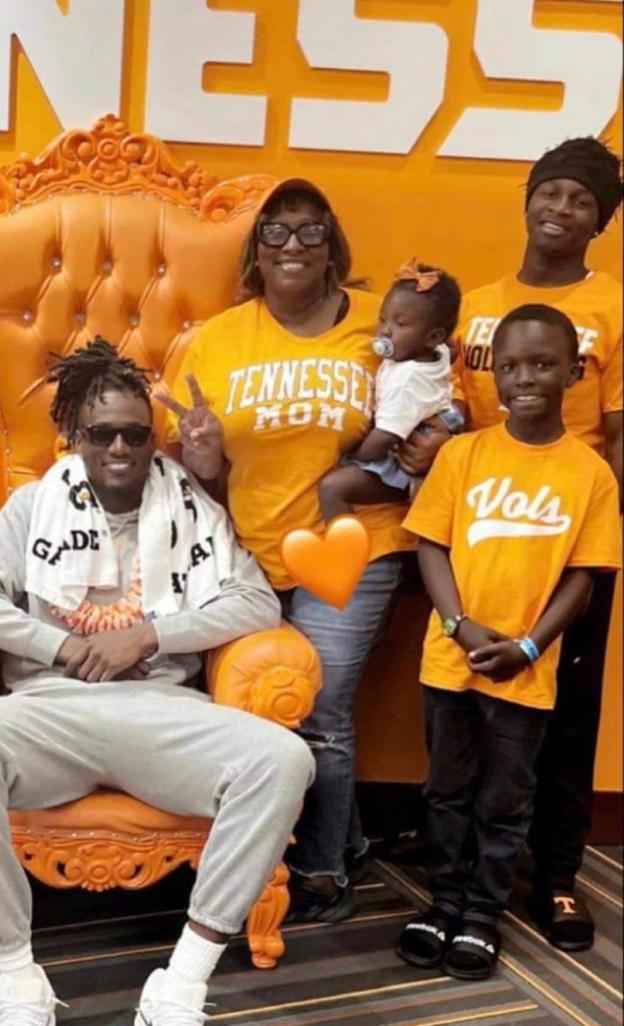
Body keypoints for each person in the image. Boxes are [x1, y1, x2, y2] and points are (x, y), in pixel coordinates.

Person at [0, 338, 315, 1026]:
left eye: (136, 433)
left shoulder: (192, 505)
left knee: (285, 761)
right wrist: (62, 646)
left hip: (162, 710)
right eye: (101, 434)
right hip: (50, 708)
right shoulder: (34, 504)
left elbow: (256, 603)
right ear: (74, 435)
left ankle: (180, 991)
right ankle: (21, 987)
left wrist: (150, 635)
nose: (120, 449)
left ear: (153, 436)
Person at [158, 178, 449, 923]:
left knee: (321, 710)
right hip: (249, 551)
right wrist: (200, 455)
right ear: (256, 252)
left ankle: (318, 868)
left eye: (310, 232)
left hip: (356, 544)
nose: (293, 246)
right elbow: (204, 475)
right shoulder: (220, 338)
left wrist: (435, 439)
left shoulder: (377, 332)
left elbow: (438, 402)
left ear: (333, 248)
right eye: (276, 233)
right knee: (256, 708)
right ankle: (338, 839)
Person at [397, 305, 620, 980]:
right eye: (512, 365)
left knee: (505, 798)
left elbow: (584, 578)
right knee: (446, 790)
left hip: (525, 669)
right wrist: (460, 626)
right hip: (452, 659)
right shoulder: (463, 456)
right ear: (493, 372)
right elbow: (431, 547)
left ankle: (482, 915)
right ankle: (443, 902)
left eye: (544, 364)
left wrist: (527, 647)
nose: (525, 379)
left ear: (574, 372)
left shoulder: (589, 473)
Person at [453, 137, 623, 951]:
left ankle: (555, 873)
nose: (560, 209)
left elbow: (618, 434)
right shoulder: (478, 302)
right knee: (466, 694)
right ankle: (465, 859)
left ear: (600, 223)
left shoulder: (613, 304)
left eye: (580, 201)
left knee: (565, 706)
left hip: (570, 527)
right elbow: (451, 412)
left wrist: (601, 538)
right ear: (526, 199)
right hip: (478, 518)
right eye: (550, 192)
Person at [319, 260, 462, 522]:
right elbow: (449, 350)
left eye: (400, 324)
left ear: (432, 336)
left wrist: (350, 455)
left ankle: (343, 549)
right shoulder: (433, 351)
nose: (385, 329)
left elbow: (384, 438)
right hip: (428, 422)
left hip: (403, 459)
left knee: (332, 487)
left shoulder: (406, 381)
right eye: (383, 318)